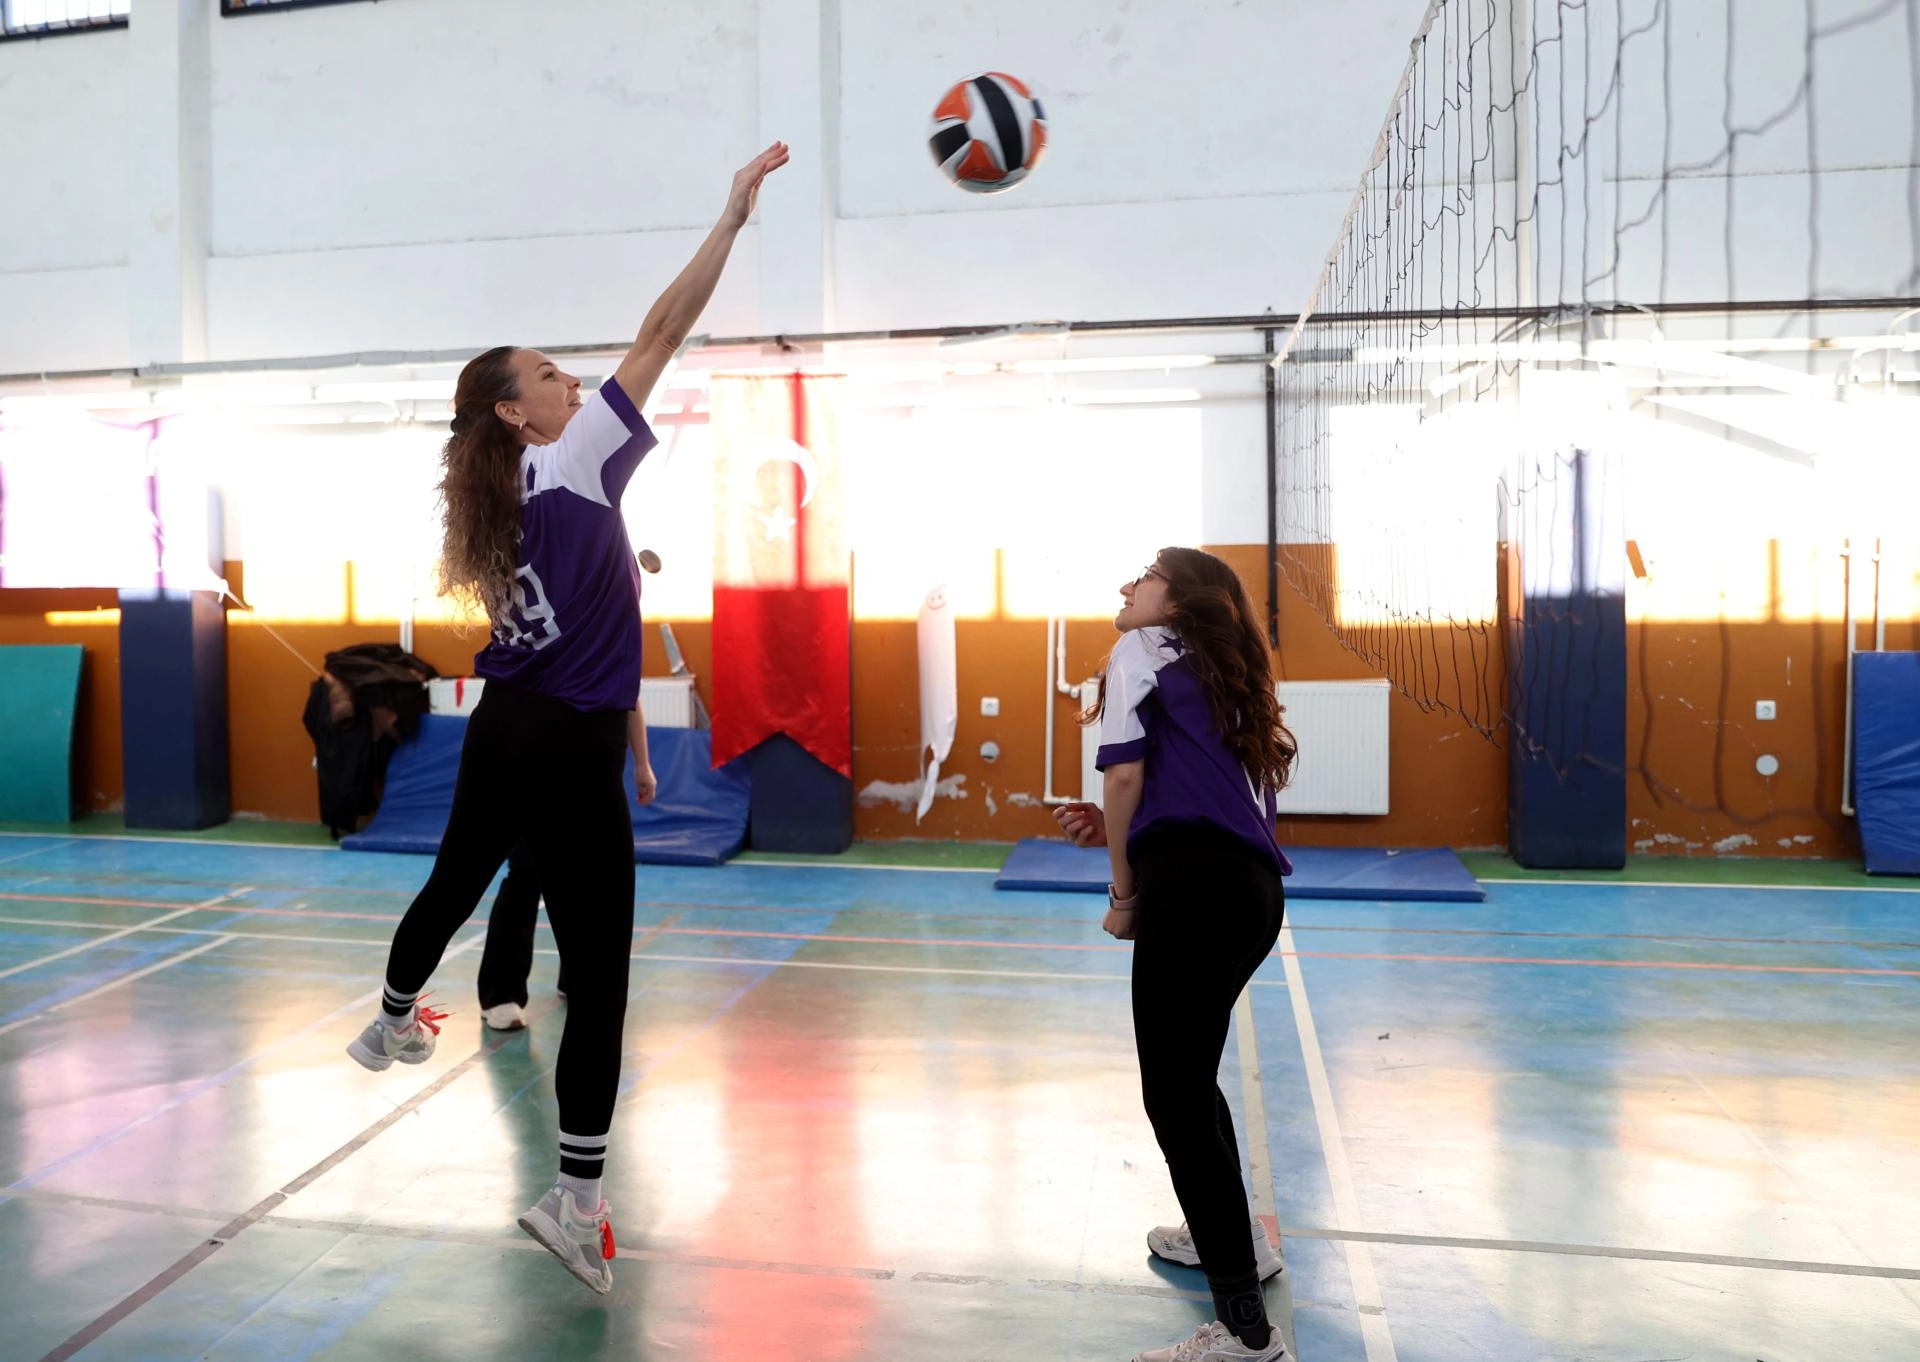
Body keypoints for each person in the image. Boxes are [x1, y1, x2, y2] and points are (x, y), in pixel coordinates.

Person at [346, 142, 789, 1295]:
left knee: (455, 883)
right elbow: (663, 330)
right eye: (549, 374)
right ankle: (577, 1203)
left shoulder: (494, 505)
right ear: (517, 411)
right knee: (599, 973)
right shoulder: (578, 456)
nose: (573, 382)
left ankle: (391, 1019)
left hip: (505, 727)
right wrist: (729, 222)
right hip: (572, 743)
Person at [1054, 548, 1298, 1362]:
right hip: (1248, 894)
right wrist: (1125, 835)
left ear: (1181, 599)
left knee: (1174, 1097)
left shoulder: (1139, 648)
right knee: (1190, 1080)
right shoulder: (1220, 671)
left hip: (1193, 892)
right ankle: (1233, 1240)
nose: (1127, 586)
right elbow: (1189, 795)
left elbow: (1123, 779)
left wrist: (1124, 894)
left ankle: (1246, 1334)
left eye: (1146, 576)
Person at [475, 718, 656, 1031]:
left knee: (590, 877)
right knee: (526, 873)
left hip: (594, 765)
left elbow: (630, 697)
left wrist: (642, 763)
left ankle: (578, 975)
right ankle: (501, 992)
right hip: (532, 759)